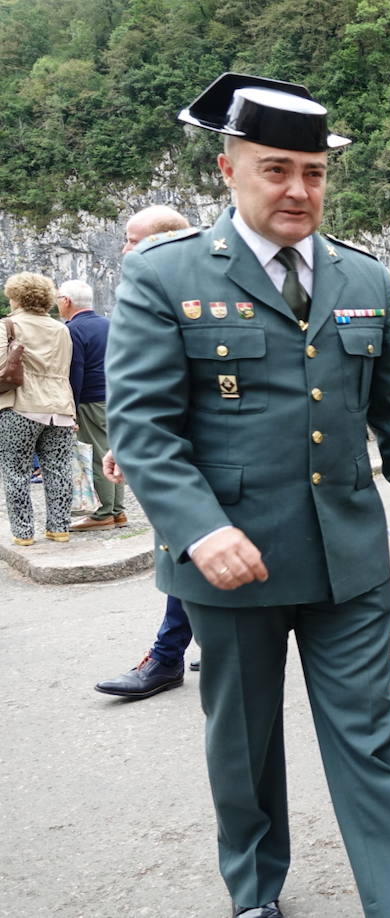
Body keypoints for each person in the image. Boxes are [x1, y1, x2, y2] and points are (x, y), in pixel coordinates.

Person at [105, 73, 390, 918]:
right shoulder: (166, 273)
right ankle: (256, 890)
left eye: (314, 172)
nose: (299, 189)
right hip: (232, 562)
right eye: (276, 170)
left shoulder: (362, 277)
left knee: (370, 737)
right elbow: (142, 426)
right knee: (244, 742)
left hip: (346, 557)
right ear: (228, 170)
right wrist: (198, 530)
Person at [95, 205, 199, 699]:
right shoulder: (150, 295)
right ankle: (199, 644)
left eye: (132, 240)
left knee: (186, 550)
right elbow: (144, 385)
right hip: (172, 452)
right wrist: (125, 443)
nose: (124, 249)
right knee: (187, 552)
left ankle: (168, 656)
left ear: (163, 241)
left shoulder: (203, 293)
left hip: (202, 456)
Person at [1, 272, 75, 547]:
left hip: (22, 405)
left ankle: (23, 533)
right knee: (59, 469)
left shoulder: (8, 325)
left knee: (16, 471)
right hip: (61, 407)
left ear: (17, 297)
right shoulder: (62, 329)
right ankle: (59, 529)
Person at [55, 280, 124, 532]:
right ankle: (118, 511)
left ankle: (103, 513)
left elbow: (76, 371)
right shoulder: (109, 324)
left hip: (90, 399)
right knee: (113, 450)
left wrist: (71, 408)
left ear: (67, 301)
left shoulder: (72, 330)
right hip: (114, 397)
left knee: (96, 455)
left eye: (58, 298)